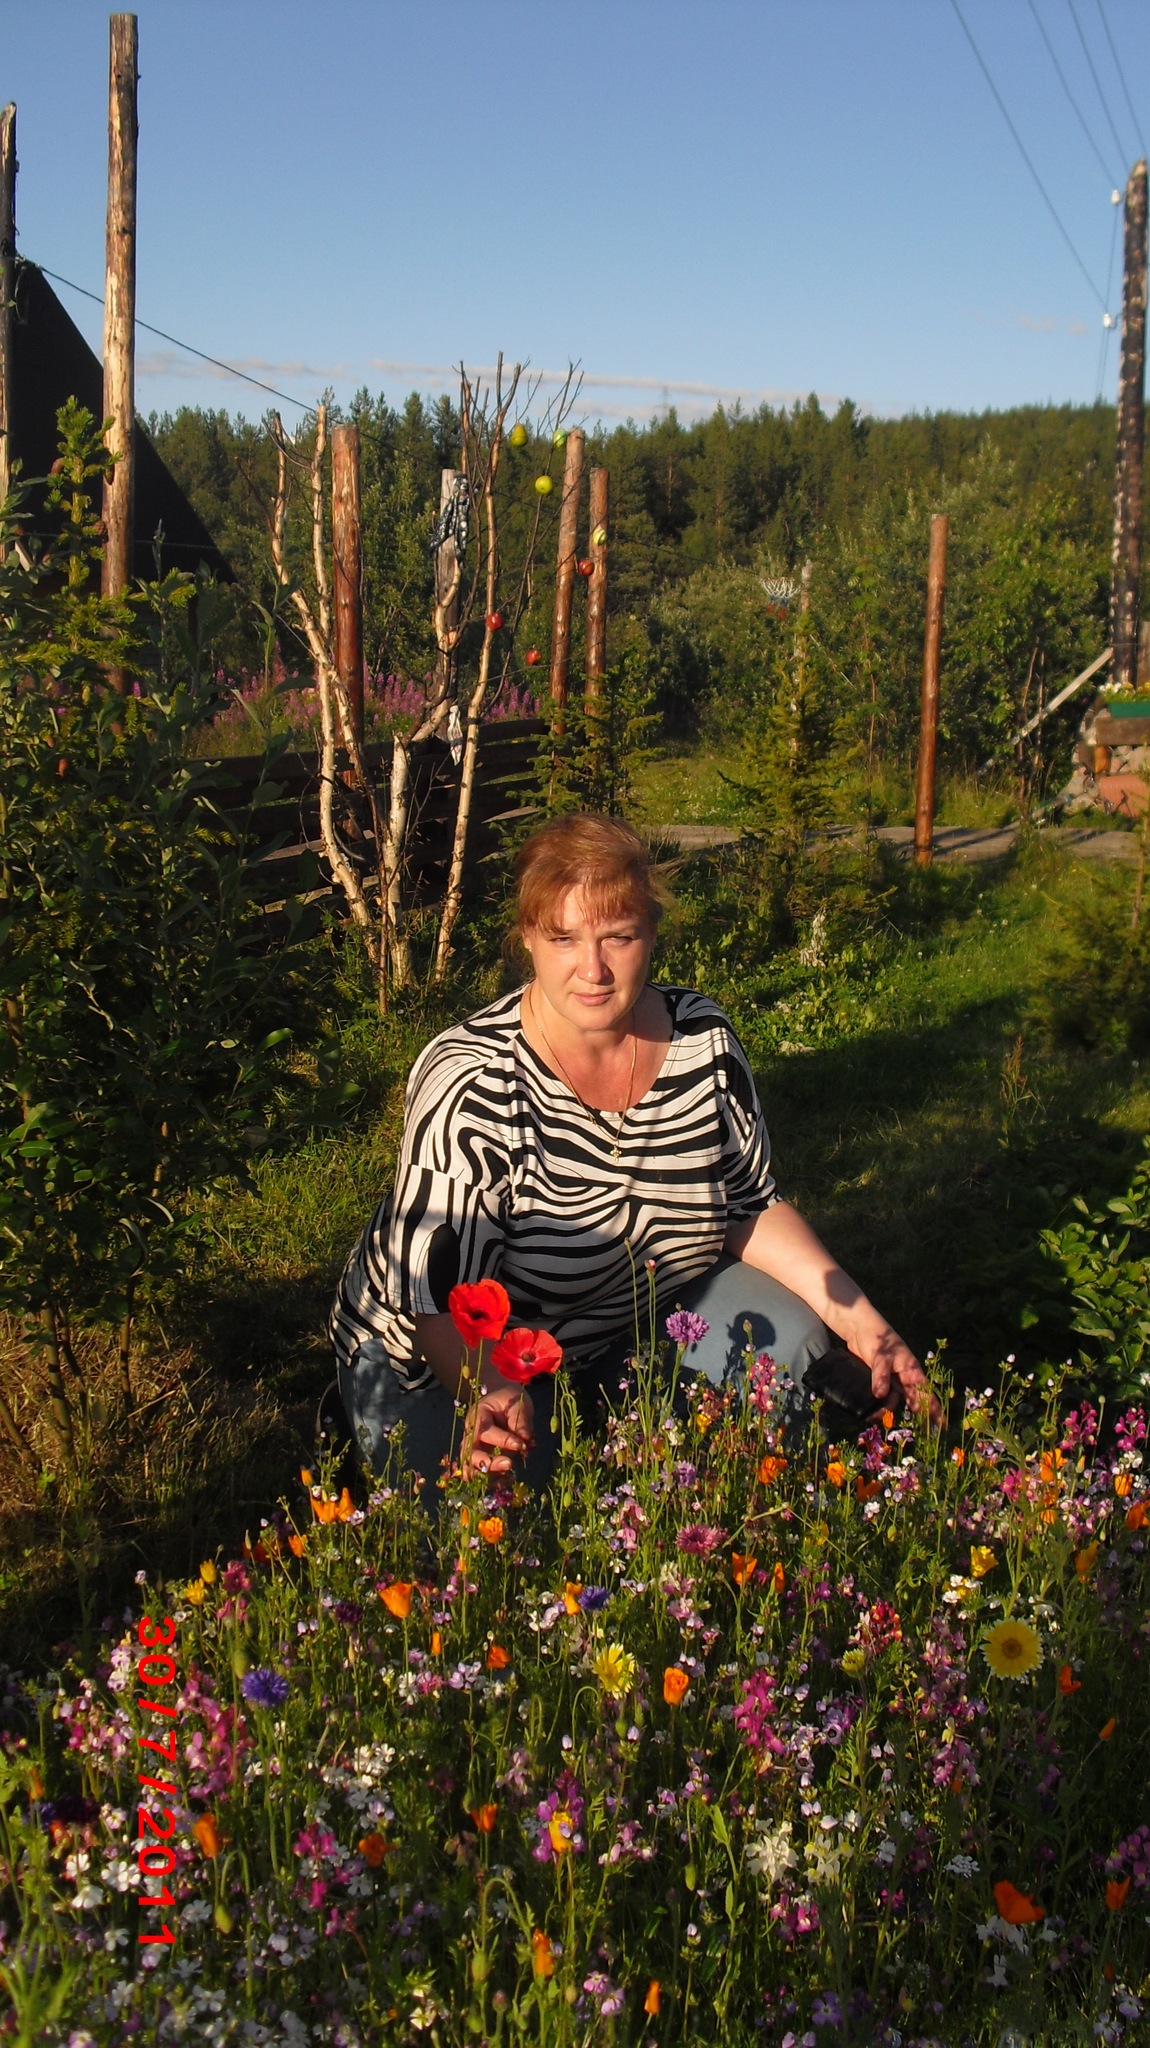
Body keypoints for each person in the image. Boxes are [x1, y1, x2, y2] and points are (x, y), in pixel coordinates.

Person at [328, 813, 936, 1484]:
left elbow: (749, 1206)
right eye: (564, 938)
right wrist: (488, 1392)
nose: (592, 969)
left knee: (796, 1351)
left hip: (624, 1320)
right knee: (505, 1519)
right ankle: (366, 1419)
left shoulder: (702, 1038)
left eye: (618, 936)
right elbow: (433, 1296)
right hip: (443, 1362)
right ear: (527, 937)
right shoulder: (474, 1082)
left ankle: (637, 1421)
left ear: (651, 932)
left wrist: (862, 1321)